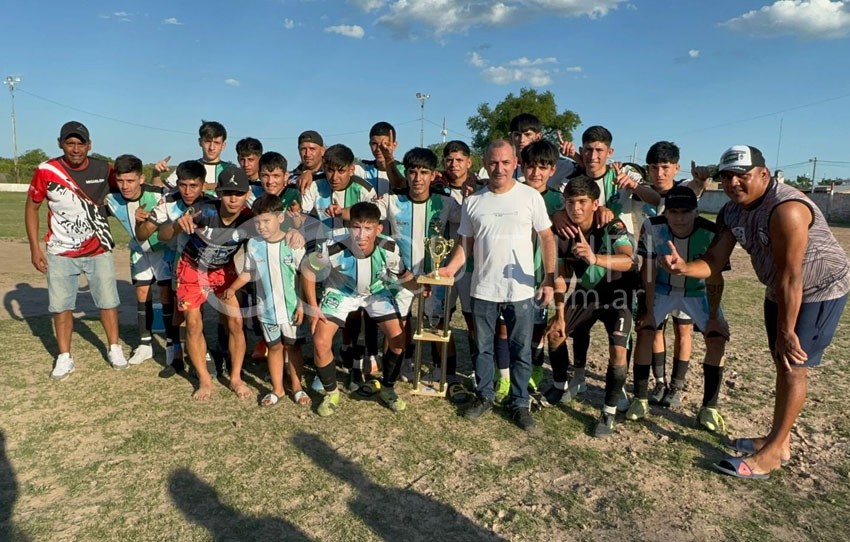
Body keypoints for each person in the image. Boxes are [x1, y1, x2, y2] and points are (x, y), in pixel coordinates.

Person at [661, 145, 849, 478]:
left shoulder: (787, 209)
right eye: (728, 176)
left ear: (763, 174)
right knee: (782, 361)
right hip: (779, 289)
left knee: (793, 364)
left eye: (742, 175)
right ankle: (780, 440)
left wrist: (787, 330)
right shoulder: (732, 211)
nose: (733, 183)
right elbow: (715, 261)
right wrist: (685, 268)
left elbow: (794, 276)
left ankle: (774, 452)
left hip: (818, 290)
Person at [439, 139, 555, 431]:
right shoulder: (474, 201)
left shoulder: (530, 197)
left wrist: (550, 278)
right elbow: (465, 242)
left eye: (505, 162)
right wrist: (451, 267)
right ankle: (485, 395)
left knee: (521, 349)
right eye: (493, 162)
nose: (499, 168)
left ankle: (520, 402)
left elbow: (547, 237)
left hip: (521, 290)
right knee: (482, 347)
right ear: (485, 163)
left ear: (515, 164)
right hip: (484, 288)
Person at [25, 121, 128, 378]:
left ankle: (114, 347)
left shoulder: (104, 169)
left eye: (80, 143)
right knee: (61, 306)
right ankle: (64, 356)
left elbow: (129, 185)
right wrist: (35, 249)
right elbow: (31, 207)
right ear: (60, 143)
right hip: (60, 252)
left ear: (89, 145)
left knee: (107, 302)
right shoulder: (46, 170)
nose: (75, 148)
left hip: (98, 249)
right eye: (69, 143)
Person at [628, 185, 729, 432]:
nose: (679, 218)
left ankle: (709, 408)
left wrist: (714, 316)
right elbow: (648, 269)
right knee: (645, 330)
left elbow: (715, 276)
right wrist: (648, 309)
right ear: (667, 212)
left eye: (686, 211)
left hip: (698, 292)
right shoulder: (653, 226)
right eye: (673, 211)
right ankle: (640, 398)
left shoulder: (710, 231)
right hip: (662, 289)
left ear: (696, 211)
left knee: (717, 338)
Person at [543, 177, 637, 437]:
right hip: (586, 293)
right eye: (571, 202)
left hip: (619, 294)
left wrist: (595, 258)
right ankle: (560, 385)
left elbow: (630, 260)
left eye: (583, 202)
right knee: (554, 333)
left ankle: (608, 412)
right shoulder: (563, 232)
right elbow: (561, 276)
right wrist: (560, 314)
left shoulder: (610, 224)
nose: (576, 208)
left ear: (595, 204)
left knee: (618, 351)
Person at [301, 202, 416, 415]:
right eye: (356, 227)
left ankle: (388, 388)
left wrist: (419, 287)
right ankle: (331, 393)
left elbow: (402, 275)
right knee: (320, 341)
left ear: (378, 229)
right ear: (348, 226)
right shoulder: (332, 247)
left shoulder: (389, 247)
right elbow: (307, 271)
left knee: (399, 340)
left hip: (375, 292)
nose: (361, 235)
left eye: (368, 228)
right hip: (341, 292)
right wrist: (313, 306)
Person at [373, 147, 461, 392]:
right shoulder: (392, 200)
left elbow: (469, 227)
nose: (418, 178)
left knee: (438, 325)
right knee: (397, 325)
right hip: (400, 277)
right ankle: (398, 368)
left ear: (434, 175)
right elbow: (367, 219)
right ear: (407, 173)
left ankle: (446, 371)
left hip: (434, 278)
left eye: (424, 172)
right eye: (413, 172)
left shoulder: (446, 203)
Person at [169, 166, 254, 401]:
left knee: (236, 322)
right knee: (193, 324)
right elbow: (164, 234)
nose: (233, 198)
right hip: (192, 269)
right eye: (227, 193)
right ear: (218, 192)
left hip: (221, 271)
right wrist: (178, 224)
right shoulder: (202, 211)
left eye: (238, 193)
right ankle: (205, 380)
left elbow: (278, 229)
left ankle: (235, 377)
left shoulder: (249, 218)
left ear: (247, 194)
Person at [221, 194, 309, 407]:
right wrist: (232, 288)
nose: (261, 226)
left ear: (279, 218)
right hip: (267, 310)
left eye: (266, 221)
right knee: (274, 347)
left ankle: (297, 387)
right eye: (257, 222)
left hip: (291, 309)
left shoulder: (292, 242)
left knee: (293, 348)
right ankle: (277, 389)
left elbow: (305, 275)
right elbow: (248, 272)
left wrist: (301, 304)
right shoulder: (253, 245)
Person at [641, 141, 712, 404]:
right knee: (655, 330)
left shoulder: (683, 189)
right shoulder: (644, 191)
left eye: (665, 167)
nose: (660, 173)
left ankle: (677, 385)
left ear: (676, 168)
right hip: (658, 278)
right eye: (654, 167)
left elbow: (695, 188)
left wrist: (702, 181)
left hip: (687, 278)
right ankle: (659, 382)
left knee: (683, 331)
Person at [137, 161, 211, 377]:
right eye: (183, 185)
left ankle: (205, 355)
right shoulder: (168, 202)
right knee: (180, 311)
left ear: (202, 185)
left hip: (209, 264)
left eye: (193, 186)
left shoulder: (211, 203)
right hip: (181, 262)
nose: (187, 191)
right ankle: (176, 356)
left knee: (202, 314)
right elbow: (147, 235)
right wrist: (143, 221)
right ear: (177, 183)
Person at [105, 154, 175, 366]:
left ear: (141, 179)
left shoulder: (158, 194)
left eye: (130, 180)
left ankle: (172, 344)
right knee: (142, 293)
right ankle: (145, 345)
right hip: (139, 251)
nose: (125, 186)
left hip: (164, 251)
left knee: (165, 294)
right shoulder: (111, 199)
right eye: (120, 180)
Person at [519, 141, 566, 393]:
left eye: (543, 167)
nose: (536, 173)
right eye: (530, 167)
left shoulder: (560, 202)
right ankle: (503, 372)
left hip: (542, 276)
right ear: (522, 167)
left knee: (537, 328)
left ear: (553, 170)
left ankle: (534, 371)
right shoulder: (512, 192)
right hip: (512, 275)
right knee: (508, 327)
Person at [153, 120, 233, 192]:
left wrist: (209, 186)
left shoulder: (231, 170)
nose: (211, 147)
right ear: (200, 142)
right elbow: (159, 193)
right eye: (207, 141)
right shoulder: (188, 167)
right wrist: (156, 174)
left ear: (223, 146)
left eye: (216, 143)